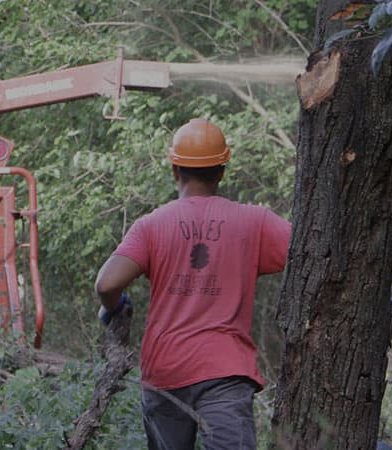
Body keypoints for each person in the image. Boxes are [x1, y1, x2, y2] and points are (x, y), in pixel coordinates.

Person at [94, 118, 292, 450]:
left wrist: (115, 307)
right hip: (225, 372)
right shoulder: (254, 222)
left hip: (165, 371)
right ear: (221, 171)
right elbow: (316, 253)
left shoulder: (152, 225)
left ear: (175, 170)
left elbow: (107, 283)